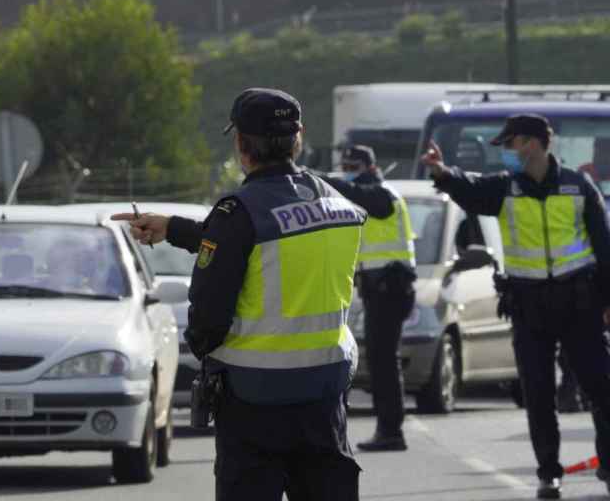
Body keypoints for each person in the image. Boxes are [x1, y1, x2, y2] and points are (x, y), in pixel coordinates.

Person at [114, 88, 365, 501]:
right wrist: (175, 227)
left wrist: (203, 352)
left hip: (254, 401)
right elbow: (271, 244)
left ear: (240, 144)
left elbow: (209, 314)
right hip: (324, 394)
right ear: (297, 137)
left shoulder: (240, 210)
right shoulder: (335, 202)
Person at [421, 113, 610, 500]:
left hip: (580, 303)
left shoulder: (578, 186)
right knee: (538, 395)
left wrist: (608, 303)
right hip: (529, 306)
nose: (507, 153)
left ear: (533, 143)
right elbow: (469, 189)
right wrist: (441, 172)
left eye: (511, 144)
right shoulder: (505, 189)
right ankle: (548, 474)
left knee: (602, 390)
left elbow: (604, 248)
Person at [321, 145, 417, 452]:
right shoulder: (373, 193)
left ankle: (391, 430)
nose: (348, 170)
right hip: (382, 289)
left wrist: (321, 178)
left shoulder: (382, 195)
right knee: (381, 361)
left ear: (365, 166)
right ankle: (389, 429)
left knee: (384, 362)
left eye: (351, 166)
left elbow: (357, 193)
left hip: (390, 288)